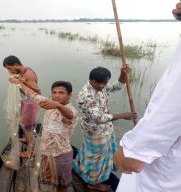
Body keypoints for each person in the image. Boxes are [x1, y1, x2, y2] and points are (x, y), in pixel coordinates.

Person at [114, 2, 181, 191]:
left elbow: (172, 105)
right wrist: (119, 117)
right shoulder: (86, 94)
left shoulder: (104, 89)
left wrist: (135, 148)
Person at [72, 66, 137, 191]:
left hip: (105, 128)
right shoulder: (86, 95)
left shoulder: (101, 87)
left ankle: (86, 170)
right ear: (91, 80)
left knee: (96, 154)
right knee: (96, 159)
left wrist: (122, 74)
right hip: (95, 132)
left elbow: (116, 86)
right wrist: (122, 115)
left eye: (105, 83)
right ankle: (93, 182)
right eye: (98, 83)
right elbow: (98, 118)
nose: (102, 86)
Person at [18, 80, 78, 192]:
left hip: (61, 154)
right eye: (54, 92)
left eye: (61, 93)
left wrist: (58, 105)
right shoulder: (48, 103)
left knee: (62, 184)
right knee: (49, 180)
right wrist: (19, 82)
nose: (57, 95)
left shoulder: (71, 111)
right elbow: (32, 94)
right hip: (46, 151)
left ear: (69, 95)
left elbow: (69, 116)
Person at [3, 55, 41, 158]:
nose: (10, 71)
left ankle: (30, 151)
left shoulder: (29, 74)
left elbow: (37, 91)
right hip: (25, 102)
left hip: (31, 104)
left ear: (16, 65)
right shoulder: (23, 72)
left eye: (10, 68)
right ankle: (27, 139)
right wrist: (18, 79)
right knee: (24, 124)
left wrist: (20, 82)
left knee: (28, 126)